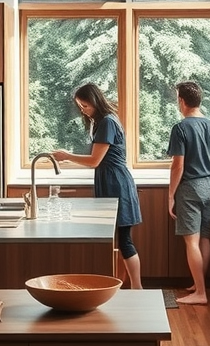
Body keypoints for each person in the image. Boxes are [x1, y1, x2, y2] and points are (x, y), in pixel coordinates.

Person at [51, 82, 143, 289]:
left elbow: (94, 160)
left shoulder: (108, 122)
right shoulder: (102, 121)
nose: (83, 110)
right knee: (120, 241)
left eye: (86, 106)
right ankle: (119, 286)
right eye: (80, 107)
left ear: (95, 101)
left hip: (116, 183)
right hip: (110, 180)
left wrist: (66, 156)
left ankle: (138, 289)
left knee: (125, 240)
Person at [167, 81, 210, 305]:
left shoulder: (181, 128)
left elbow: (177, 166)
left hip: (190, 187)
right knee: (205, 238)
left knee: (191, 241)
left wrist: (170, 195)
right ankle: (198, 283)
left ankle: (200, 293)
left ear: (182, 101)